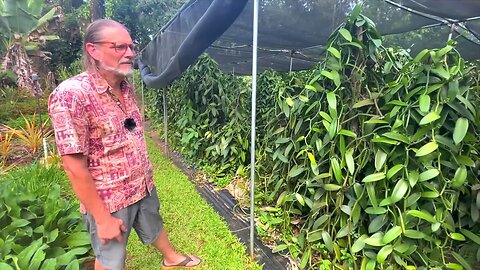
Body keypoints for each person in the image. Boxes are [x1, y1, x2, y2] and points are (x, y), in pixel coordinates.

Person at [48, 19, 201, 270]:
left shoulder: (125, 86)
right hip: (109, 199)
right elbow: (74, 167)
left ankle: (170, 257)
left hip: (141, 184)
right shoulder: (72, 95)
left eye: (131, 47)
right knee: (110, 257)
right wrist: (101, 218)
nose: (130, 54)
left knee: (153, 221)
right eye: (119, 47)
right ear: (92, 50)